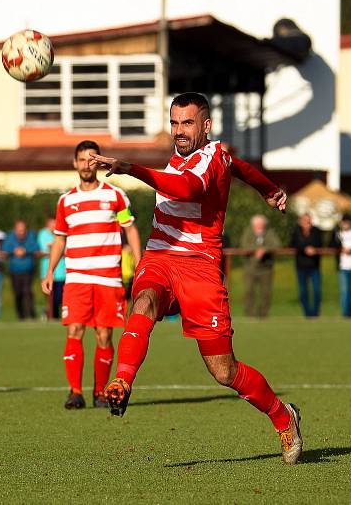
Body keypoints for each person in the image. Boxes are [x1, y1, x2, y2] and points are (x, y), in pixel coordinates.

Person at [90, 92, 303, 464]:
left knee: (224, 371)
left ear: (206, 126)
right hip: (159, 255)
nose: (179, 131)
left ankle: (284, 417)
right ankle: (122, 381)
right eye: (174, 123)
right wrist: (269, 189)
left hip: (200, 267)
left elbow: (186, 188)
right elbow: (244, 168)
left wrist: (132, 169)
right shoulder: (187, 156)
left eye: (187, 123)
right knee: (144, 301)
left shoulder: (211, 159)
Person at [41, 140, 142, 410]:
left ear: (97, 162)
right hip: (77, 278)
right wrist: (50, 271)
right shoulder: (66, 201)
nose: (86, 164)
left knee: (104, 336)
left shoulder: (115, 196)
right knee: (74, 330)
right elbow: (60, 239)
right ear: (75, 163)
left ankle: (99, 393)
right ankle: (75, 392)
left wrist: (140, 262)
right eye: (81, 159)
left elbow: (129, 229)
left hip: (108, 278)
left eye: (91, 159)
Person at [240, 215, 281, 318]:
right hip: (250, 268)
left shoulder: (269, 233)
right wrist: (256, 250)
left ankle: (263, 314)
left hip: (266, 268)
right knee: (249, 291)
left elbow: (276, 245)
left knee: (266, 293)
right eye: (257, 225)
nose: (259, 226)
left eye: (261, 224)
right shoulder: (248, 233)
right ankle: (250, 314)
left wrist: (264, 250)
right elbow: (244, 245)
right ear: (253, 225)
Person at [2, 219, 38, 320]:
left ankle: (32, 315)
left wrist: (25, 251)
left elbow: (36, 247)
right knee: (18, 293)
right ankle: (20, 316)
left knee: (27, 292)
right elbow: (5, 248)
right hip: (14, 271)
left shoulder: (31, 236)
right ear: (15, 230)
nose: (21, 232)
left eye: (23, 230)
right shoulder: (10, 237)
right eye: (19, 230)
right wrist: (14, 251)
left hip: (28, 270)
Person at [289, 214, 322, 317]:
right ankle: (308, 314)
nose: (307, 223)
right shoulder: (296, 231)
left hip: (314, 266)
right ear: (300, 222)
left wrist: (314, 249)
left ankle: (315, 314)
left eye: (309, 221)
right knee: (303, 292)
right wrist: (305, 249)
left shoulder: (316, 231)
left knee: (317, 291)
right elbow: (292, 244)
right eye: (305, 221)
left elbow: (320, 243)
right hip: (301, 266)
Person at [38, 216, 66, 319]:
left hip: (63, 273)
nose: (53, 225)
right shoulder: (43, 234)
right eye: (51, 223)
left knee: (61, 297)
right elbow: (43, 250)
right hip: (48, 272)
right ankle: (51, 316)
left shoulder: (63, 233)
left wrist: (56, 249)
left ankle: (60, 316)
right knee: (51, 298)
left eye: (55, 223)